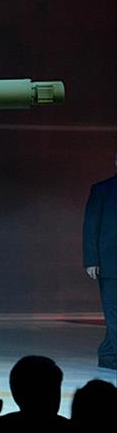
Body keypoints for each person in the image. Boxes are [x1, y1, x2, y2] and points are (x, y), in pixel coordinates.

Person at [83, 151, 117, 370]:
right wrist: (91, 259)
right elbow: (91, 225)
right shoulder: (102, 189)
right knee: (114, 310)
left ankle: (108, 354)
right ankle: (110, 354)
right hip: (110, 262)